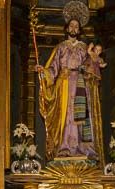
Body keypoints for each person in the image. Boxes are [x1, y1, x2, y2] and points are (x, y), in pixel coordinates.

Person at [36, 5, 105, 161]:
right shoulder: (60, 47)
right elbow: (53, 68)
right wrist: (43, 71)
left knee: (80, 115)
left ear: (79, 30)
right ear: (67, 28)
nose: (74, 29)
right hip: (64, 84)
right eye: (71, 26)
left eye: (76, 26)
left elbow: (91, 64)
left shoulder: (84, 48)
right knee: (66, 116)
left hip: (80, 85)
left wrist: (94, 63)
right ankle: (64, 147)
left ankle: (82, 148)